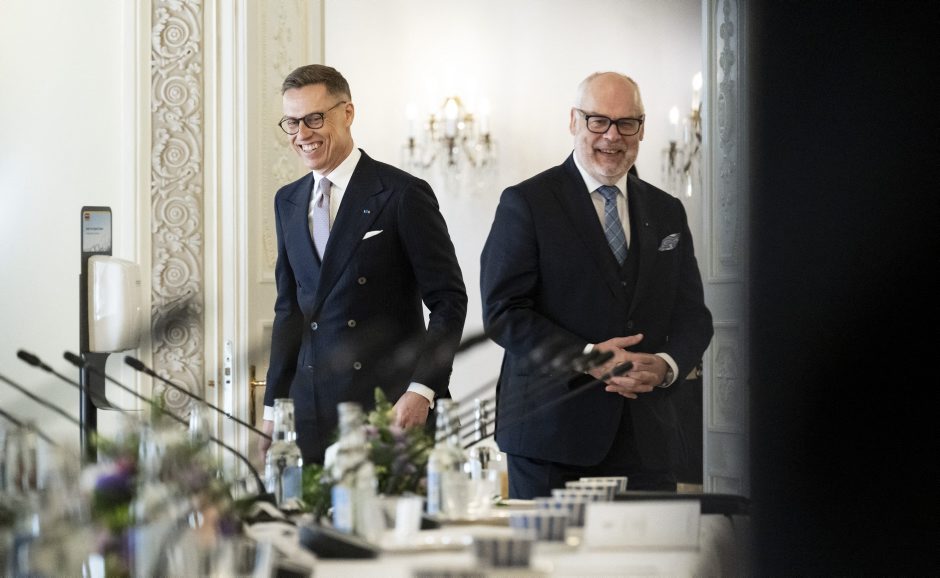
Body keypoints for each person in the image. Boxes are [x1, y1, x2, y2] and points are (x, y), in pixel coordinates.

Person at [480, 71, 713, 498]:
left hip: (649, 441)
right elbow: (503, 313)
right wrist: (587, 357)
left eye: (627, 123)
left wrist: (666, 366)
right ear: (574, 121)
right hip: (551, 440)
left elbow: (693, 317)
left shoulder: (667, 211)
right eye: (598, 120)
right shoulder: (527, 202)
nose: (612, 135)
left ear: (642, 128)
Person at [259, 64, 468, 465]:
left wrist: (421, 390)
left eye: (314, 119)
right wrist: (272, 410)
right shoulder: (287, 200)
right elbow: (289, 313)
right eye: (292, 123)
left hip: (389, 408)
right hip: (310, 413)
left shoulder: (402, 194)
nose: (302, 134)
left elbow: (449, 301)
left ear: (347, 113)